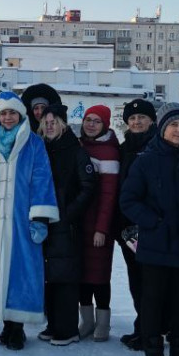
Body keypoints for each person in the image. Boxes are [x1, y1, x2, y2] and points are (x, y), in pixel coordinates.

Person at [120, 103, 179, 356]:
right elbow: (128, 200)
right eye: (173, 125)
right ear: (162, 128)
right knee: (153, 303)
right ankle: (153, 355)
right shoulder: (146, 161)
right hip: (156, 245)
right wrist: (153, 223)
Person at [0, 91, 58, 350]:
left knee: (21, 271)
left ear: (20, 115)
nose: (8, 118)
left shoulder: (34, 143)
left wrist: (39, 217)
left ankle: (17, 328)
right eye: (3, 113)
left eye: (12, 113)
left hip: (21, 218)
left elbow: (42, 179)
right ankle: (5, 325)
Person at [39, 104, 95, 346]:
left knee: (66, 277)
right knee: (50, 276)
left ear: (62, 124)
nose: (50, 126)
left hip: (67, 224)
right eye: (46, 123)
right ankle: (53, 324)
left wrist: (68, 214)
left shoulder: (76, 150)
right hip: (45, 220)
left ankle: (67, 328)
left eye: (54, 122)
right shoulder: (42, 148)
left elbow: (88, 186)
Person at [114, 98, 157, 349]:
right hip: (127, 229)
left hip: (150, 227)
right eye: (132, 118)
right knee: (136, 280)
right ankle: (142, 325)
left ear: (152, 120)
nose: (137, 122)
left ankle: (150, 330)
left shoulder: (156, 146)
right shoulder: (123, 149)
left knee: (151, 282)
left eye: (142, 117)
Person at [78, 104, 120, 342]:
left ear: (105, 125)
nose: (91, 125)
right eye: (88, 120)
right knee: (82, 275)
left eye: (96, 121)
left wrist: (101, 229)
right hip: (80, 223)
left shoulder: (109, 152)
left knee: (100, 276)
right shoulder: (80, 146)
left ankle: (103, 322)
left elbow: (108, 196)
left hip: (98, 226)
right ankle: (87, 320)